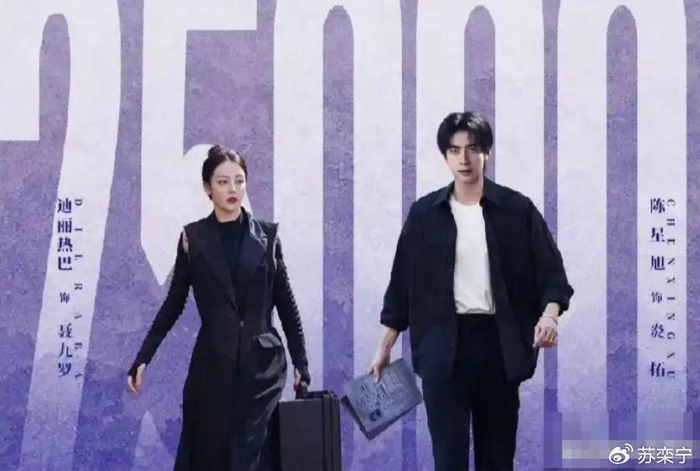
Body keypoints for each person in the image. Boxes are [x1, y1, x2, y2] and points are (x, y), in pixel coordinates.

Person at [369, 112, 574, 470]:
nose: (463, 159)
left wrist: (550, 315)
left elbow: (552, 274)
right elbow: (401, 284)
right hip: (441, 348)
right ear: (445, 156)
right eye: (454, 150)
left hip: (499, 347)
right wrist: (385, 347)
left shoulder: (516, 210)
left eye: (472, 149)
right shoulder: (425, 214)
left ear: (486, 153)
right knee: (448, 459)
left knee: (497, 459)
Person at [127, 144, 310, 471]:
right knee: (209, 456)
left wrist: (301, 362)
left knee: (252, 457)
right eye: (223, 182)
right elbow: (174, 303)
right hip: (212, 366)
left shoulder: (267, 237)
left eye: (239, 181)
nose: (233, 189)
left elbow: (286, 303)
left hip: (262, 369)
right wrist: (144, 357)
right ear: (207, 188)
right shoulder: (193, 239)